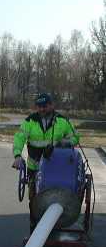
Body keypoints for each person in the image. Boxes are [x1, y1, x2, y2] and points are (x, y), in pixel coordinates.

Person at [12, 92, 79, 226]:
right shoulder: (29, 121)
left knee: (55, 197)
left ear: (51, 105)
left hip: (55, 167)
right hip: (34, 166)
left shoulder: (62, 121)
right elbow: (18, 138)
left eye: (45, 106)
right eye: (39, 107)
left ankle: (56, 222)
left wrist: (69, 142)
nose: (42, 109)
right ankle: (35, 224)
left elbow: (75, 137)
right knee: (34, 198)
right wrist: (18, 156)